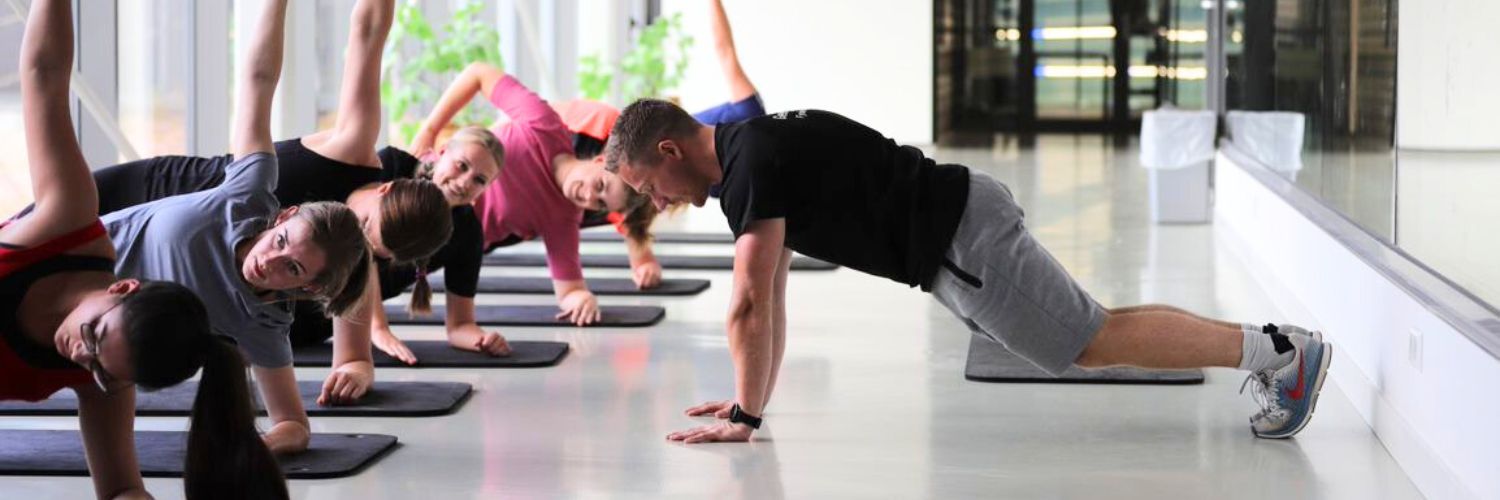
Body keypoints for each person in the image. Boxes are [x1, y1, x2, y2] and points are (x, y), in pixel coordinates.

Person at [603, 99, 1335, 443]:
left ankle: (1282, 353)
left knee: (1090, 342)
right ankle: (1276, 348)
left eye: (645, 187)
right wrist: (745, 404)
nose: (654, 202)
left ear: (668, 152)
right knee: (1095, 331)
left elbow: (746, 307)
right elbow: (771, 294)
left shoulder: (746, 171)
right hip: (962, 226)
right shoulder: (751, 148)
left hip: (961, 241)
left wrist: (746, 413)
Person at [66, 0, 506, 365]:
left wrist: (356, 370)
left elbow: (350, 352)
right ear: (384, 187)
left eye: (371, 250)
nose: (357, 239)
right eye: (367, 224)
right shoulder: (353, 150)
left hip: (170, 278)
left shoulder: (343, 259)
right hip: (153, 194)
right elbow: (368, 32)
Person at [0, 1, 287, 498]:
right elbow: (44, 75)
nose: (78, 355)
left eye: (97, 365)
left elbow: (119, 490)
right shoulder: (66, 222)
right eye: (93, 335)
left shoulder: (105, 381)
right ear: (123, 287)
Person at [101, 0, 371, 454]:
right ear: (282, 217)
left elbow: (293, 424)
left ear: (306, 288)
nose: (271, 262)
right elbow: (258, 82)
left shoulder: (262, 322)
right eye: (281, 242)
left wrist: (253, 449)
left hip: (92, 318)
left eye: (293, 270)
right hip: (75, 243)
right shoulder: (248, 192)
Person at [553, 0, 768, 290]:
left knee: (637, 198)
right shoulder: (747, 111)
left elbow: (724, 50)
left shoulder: (748, 125)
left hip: (682, 167)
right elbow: (724, 48)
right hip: (665, 157)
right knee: (631, 190)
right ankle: (641, 259)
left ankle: (642, 260)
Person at [411, 62, 604, 326]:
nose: (590, 197)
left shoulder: (564, 218)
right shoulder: (543, 123)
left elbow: (569, 289)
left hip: (442, 242)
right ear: (600, 162)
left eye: (601, 203)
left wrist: (581, 298)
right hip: (418, 187)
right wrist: (428, 131)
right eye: (601, 186)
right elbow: (477, 73)